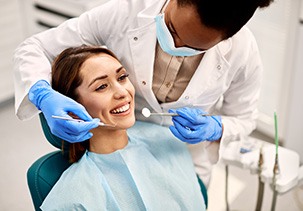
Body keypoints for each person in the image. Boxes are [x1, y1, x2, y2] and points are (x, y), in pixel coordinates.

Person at [13, 0, 274, 186]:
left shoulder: (243, 52)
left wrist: (217, 127)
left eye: (193, 48)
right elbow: (34, 48)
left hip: (183, 161)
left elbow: (244, 117)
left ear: (225, 40)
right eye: (171, 29)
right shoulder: (126, 11)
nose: (175, 45)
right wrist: (42, 94)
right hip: (118, 150)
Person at [40, 45, 206, 210]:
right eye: (102, 86)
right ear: (73, 110)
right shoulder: (72, 201)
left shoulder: (166, 141)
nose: (122, 92)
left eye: (122, 77)